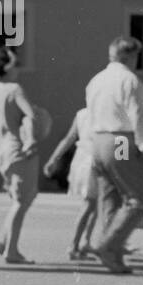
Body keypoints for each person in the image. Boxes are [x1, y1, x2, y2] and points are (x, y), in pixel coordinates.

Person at [85, 36, 143, 275]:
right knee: (138, 200)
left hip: (98, 141)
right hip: (119, 139)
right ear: (130, 56)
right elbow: (138, 116)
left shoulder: (96, 80)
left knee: (109, 198)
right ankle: (108, 246)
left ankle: (111, 253)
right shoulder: (130, 80)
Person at [0, 46, 47, 265]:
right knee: (22, 200)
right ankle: (11, 250)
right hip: (18, 149)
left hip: (0, 151)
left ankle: (3, 240)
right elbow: (32, 115)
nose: (18, 69)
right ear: (7, 66)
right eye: (16, 64)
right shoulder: (14, 89)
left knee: (22, 198)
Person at [43, 107, 98, 260]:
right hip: (94, 163)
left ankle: (85, 242)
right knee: (90, 205)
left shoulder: (82, 113)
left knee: (94, 205)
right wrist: (125, 164)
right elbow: (119, 139)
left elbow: (69, 138)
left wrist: (53, 159)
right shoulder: (109, 111)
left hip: (82, 162)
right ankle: (74, 245)